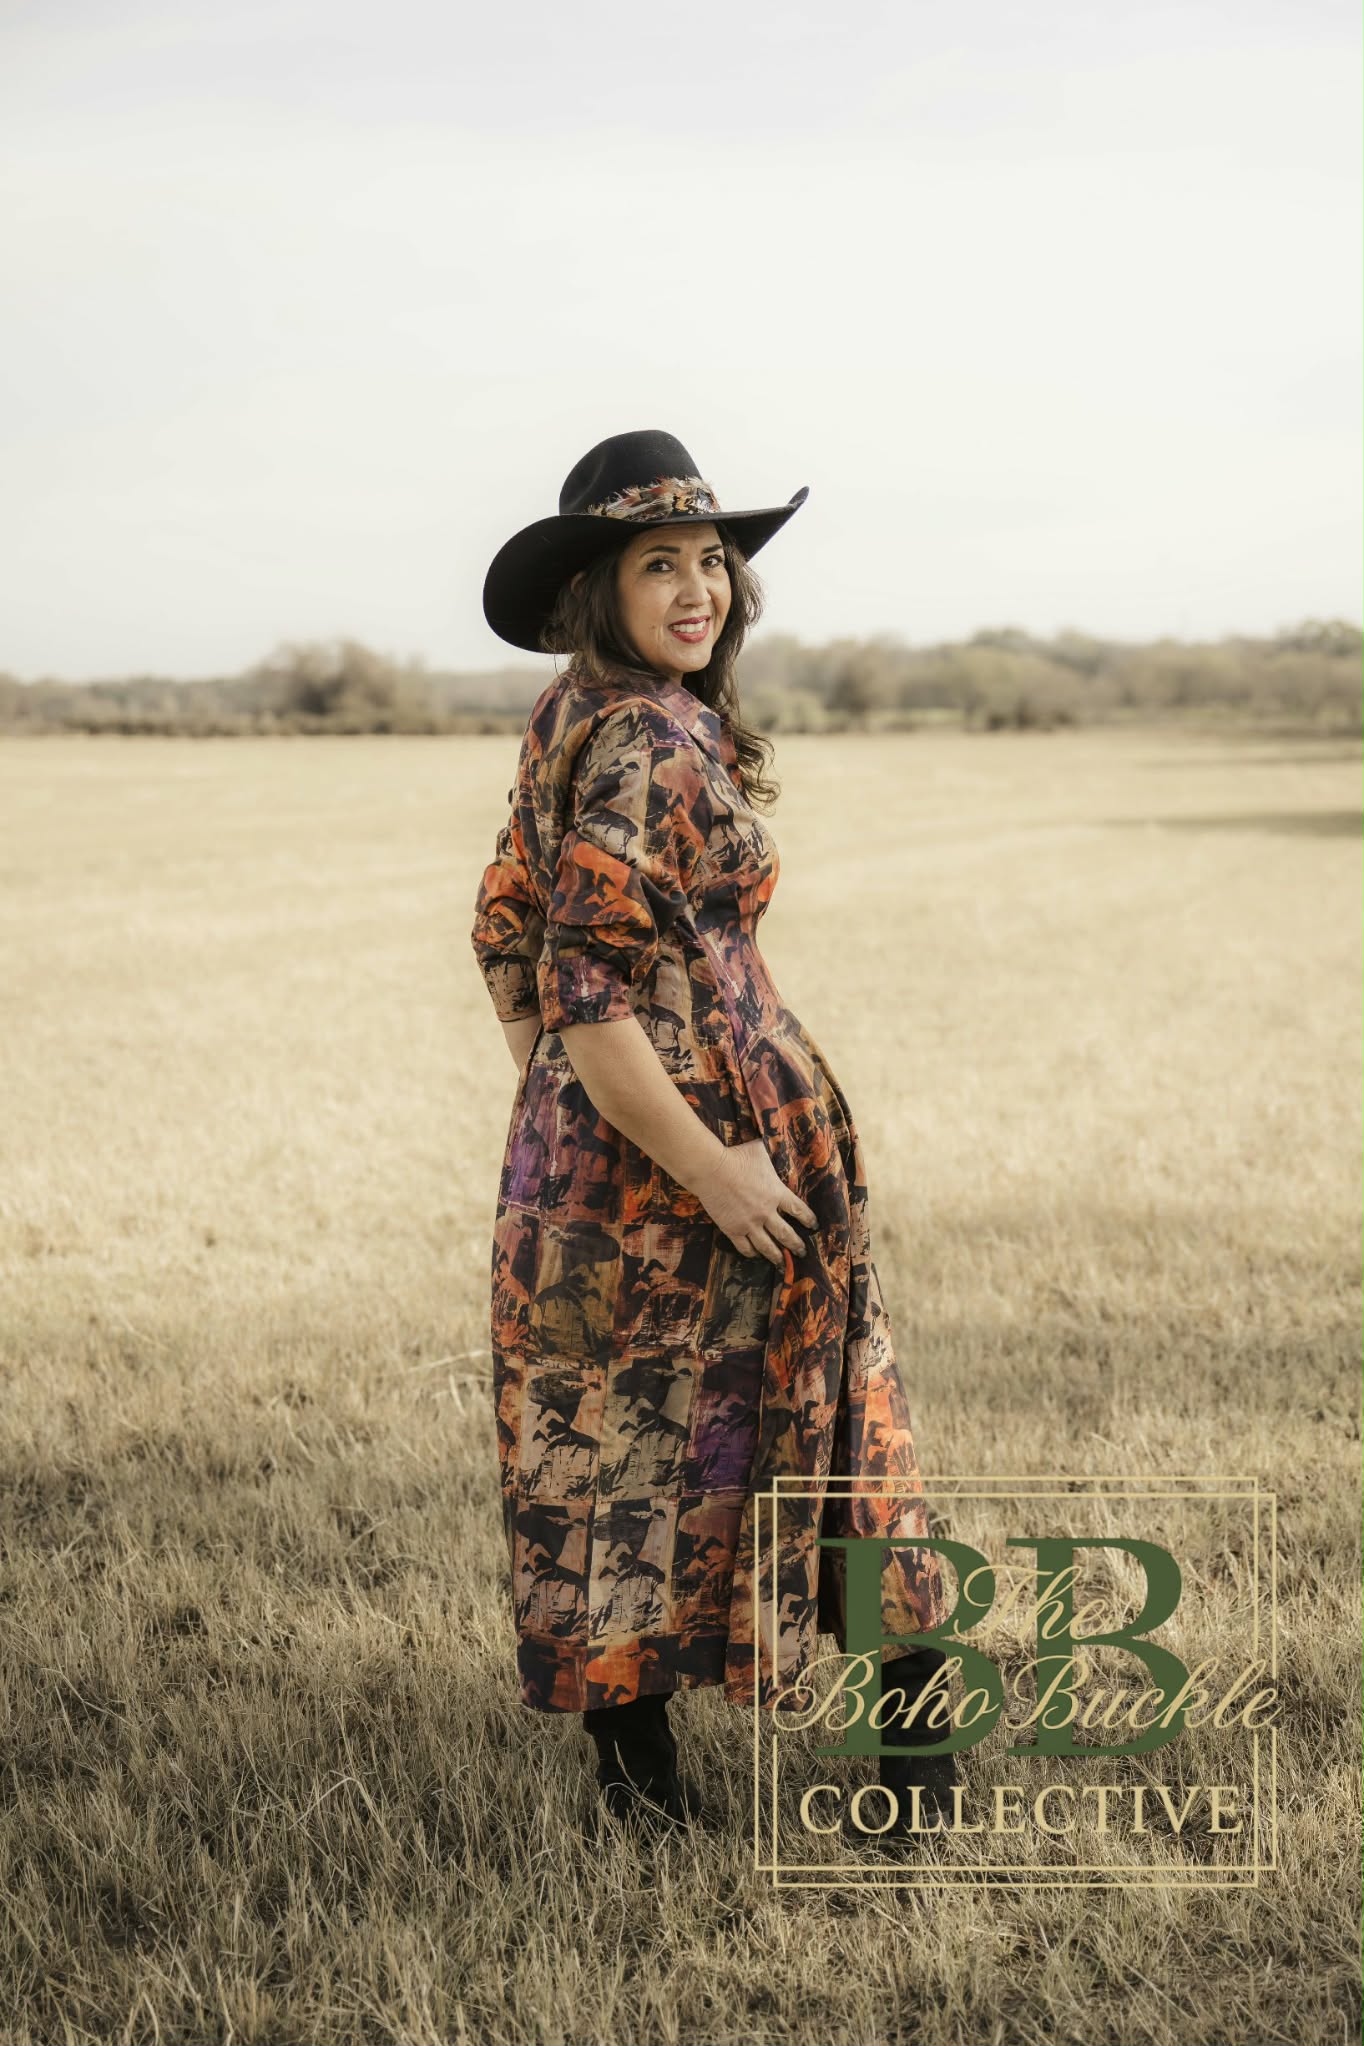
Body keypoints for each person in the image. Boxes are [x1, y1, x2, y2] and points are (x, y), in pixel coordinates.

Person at [470, 428, 956, 1841]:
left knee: (606, 1467)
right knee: (848, 1444)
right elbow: (584, 981)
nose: (697, 591)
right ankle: (918, 1782)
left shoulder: (572, 715)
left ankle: (639, 1800)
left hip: (594, 1170)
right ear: (597, 590)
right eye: (658, 566)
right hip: (708, 1163)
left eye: (712, 561)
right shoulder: (647, 740)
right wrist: (704, 1158)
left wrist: (567, 1113)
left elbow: (504, 931)